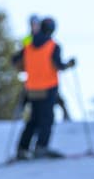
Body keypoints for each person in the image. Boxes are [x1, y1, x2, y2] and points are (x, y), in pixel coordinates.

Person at [13, 17, 76, 159]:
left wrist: (25, 68)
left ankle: (22, 148)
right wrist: (70, 64)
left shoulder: (28, 46)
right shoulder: (53, 46)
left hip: (32, 89)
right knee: (47, 118)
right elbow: (58, 65)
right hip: (48, 88)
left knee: (33, 119)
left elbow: (15, 61)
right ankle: (41, 147)